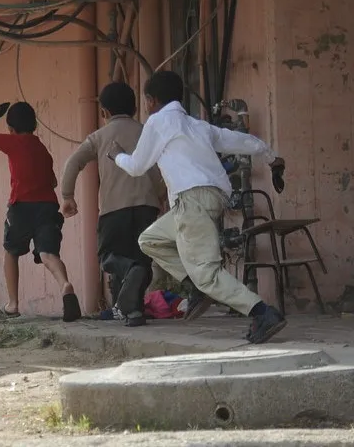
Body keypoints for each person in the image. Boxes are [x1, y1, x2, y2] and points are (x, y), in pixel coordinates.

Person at [110, 70, 288, 344]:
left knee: (208, 274)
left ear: (151, 100)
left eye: (147, 102)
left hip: (191, 200)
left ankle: (262, 312)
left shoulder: (158, 122)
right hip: (211, 199)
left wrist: (117, 156)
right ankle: (195, 286)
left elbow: (136, 167)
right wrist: (272, 157)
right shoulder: (197, 126)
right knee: (150, 240)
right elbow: (240, 141)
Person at [59, 82, 167, 327]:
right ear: (136, 107)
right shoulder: (146, 132)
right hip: (146, 207)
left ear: (104, 112)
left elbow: (73, 163)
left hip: (113, 209)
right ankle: (134, 312)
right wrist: (159, 197)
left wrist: (67, 196)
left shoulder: (99, 137)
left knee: (110, 257)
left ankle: (130, 287)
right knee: (140, 259)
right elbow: (158, 172)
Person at [0, 102, 80, 322]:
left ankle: (13, 304)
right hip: (48, 206)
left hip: (21, 206)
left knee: (11, 251)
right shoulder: (42, 149)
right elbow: (53, 181)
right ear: (34, 125)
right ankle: (65, 285)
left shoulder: (13, 142)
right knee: (49, 254)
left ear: (11, 128)